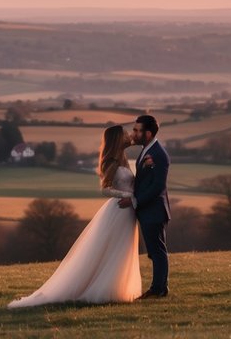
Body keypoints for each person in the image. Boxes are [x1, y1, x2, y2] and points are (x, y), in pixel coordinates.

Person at [7, 125, 141, 308]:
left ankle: (118, 287)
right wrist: (130, 197)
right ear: (117, 138)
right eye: (125, 133)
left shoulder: (123, 159)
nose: (129, 135)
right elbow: (105, 189)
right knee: (115, 249)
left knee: (123, 249)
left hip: (127, 211)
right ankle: (107, 289)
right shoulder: (112, 162)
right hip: (119, 210)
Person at [118, 113, 171, 298]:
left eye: (136, 130)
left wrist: (134, 201)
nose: (133, 133)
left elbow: (158, 187)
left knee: (157, 251)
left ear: (147, 134)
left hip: (155, 211)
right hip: (148, 211)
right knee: (154, 251)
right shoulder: (147, 150)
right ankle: (159, 288)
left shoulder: (158, 155)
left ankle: (159, 289)